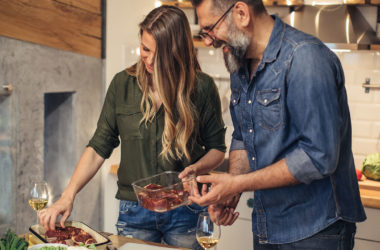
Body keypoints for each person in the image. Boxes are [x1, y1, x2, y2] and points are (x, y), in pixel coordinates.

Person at [38, 5, 226, 249]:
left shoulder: (201, 88)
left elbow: (217, 149)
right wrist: (67, 196)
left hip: (185, 210)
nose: (146, 57)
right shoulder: (122, 84)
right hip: (134, 213)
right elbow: (98, 147)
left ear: (175, 53)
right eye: (145, 48)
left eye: (156, 53)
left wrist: (196, 168)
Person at [188, 0, 367, 249]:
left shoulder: (305, 58)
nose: (208, 40)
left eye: (210, 28)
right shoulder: (239, 62)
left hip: (315, 231)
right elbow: (242, 135)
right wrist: (231, 191)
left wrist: (237, 183)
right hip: (267, 225)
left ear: (241, 13)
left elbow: (320, 157)